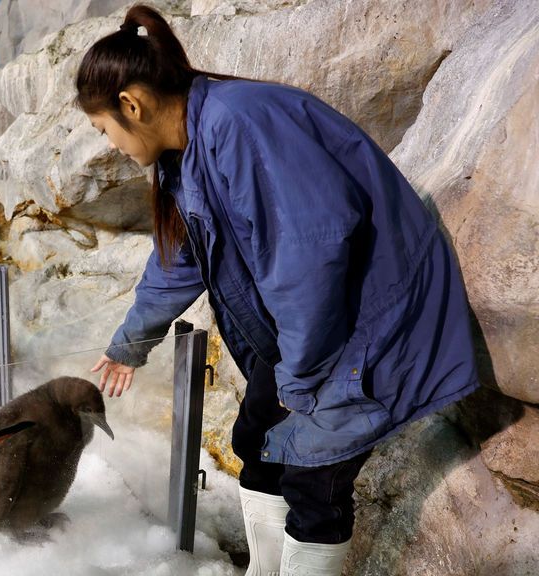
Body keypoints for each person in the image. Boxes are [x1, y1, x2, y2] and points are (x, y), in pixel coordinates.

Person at [78, 5, 479, 576]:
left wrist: (303, 375)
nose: (110, 144)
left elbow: (310, 255)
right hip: (311, 333)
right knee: (256, 444)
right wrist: (129, 342)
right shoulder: (185, 154)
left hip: (367, 322)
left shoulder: (242, 124)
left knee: (315, 480)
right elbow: (180, 260)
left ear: (131, 106)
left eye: (104, 130)